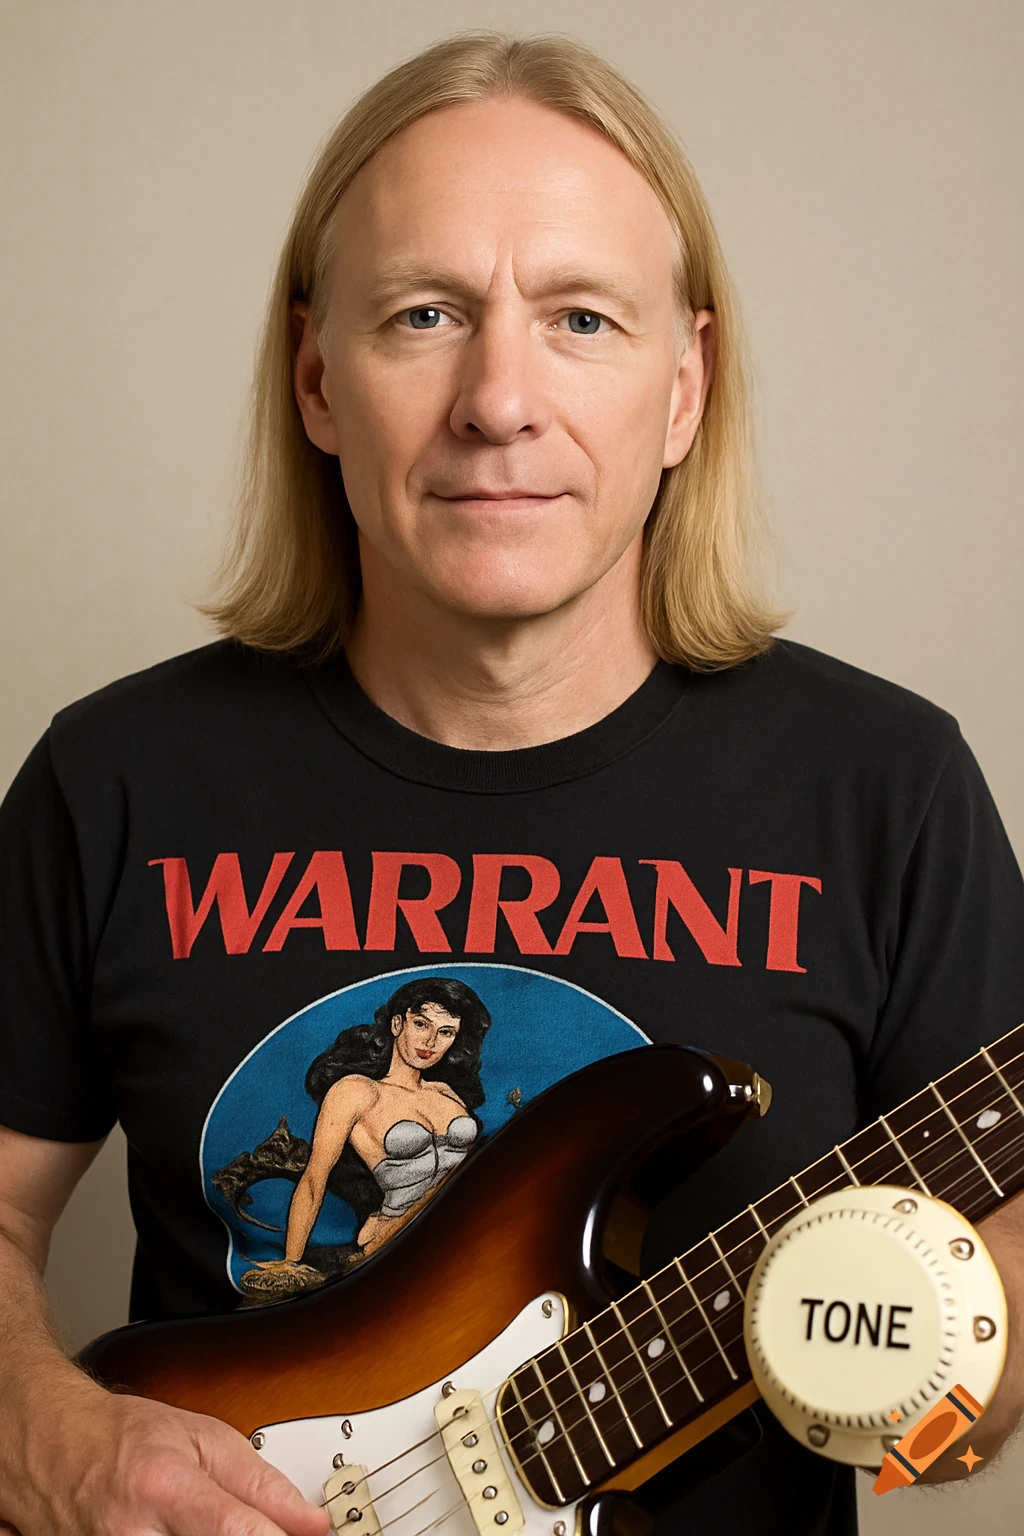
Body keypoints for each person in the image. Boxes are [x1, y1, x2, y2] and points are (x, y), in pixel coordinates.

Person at [0, 26, 1022, 1536]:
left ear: (686, 385)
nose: (498, 401)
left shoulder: (884, 788)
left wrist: (953, 1373)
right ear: (318, 379)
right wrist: (46, 1433)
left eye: (583, 320)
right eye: (423, 314)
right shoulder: (119, 780)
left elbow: (987, 1314)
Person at [238, 976, 490, 1297]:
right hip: (396, 1248)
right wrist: (292, 1261)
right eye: (421, 1024)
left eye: (445, 1032)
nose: (430, 1041)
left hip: (472, 1234)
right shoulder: (357, 1091)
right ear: (398, 1024)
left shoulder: (447, 1093)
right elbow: (315, 1176)